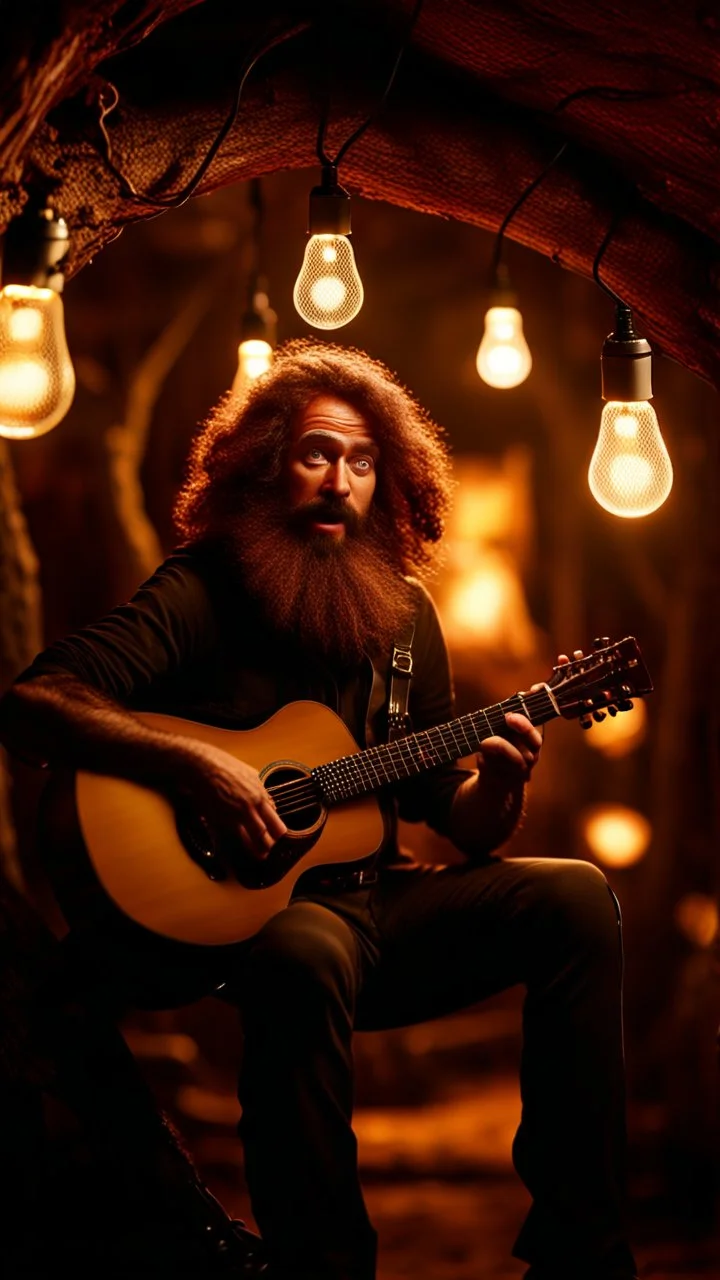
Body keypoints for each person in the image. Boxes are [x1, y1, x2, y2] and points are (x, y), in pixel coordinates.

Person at [0, 340, 638, 1280]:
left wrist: (499, 787)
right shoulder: (203, 589)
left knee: (578, 898)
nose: (341, 481)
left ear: (390, 482)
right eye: (317, 455)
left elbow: (451, 819)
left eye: (364, 462)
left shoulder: (406, 616)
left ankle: (583, 1250)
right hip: (265, 921)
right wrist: (195, 770)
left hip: (381, 904)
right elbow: (36, 700)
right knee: (304, 951)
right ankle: (325, 1268)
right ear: (267, 464)